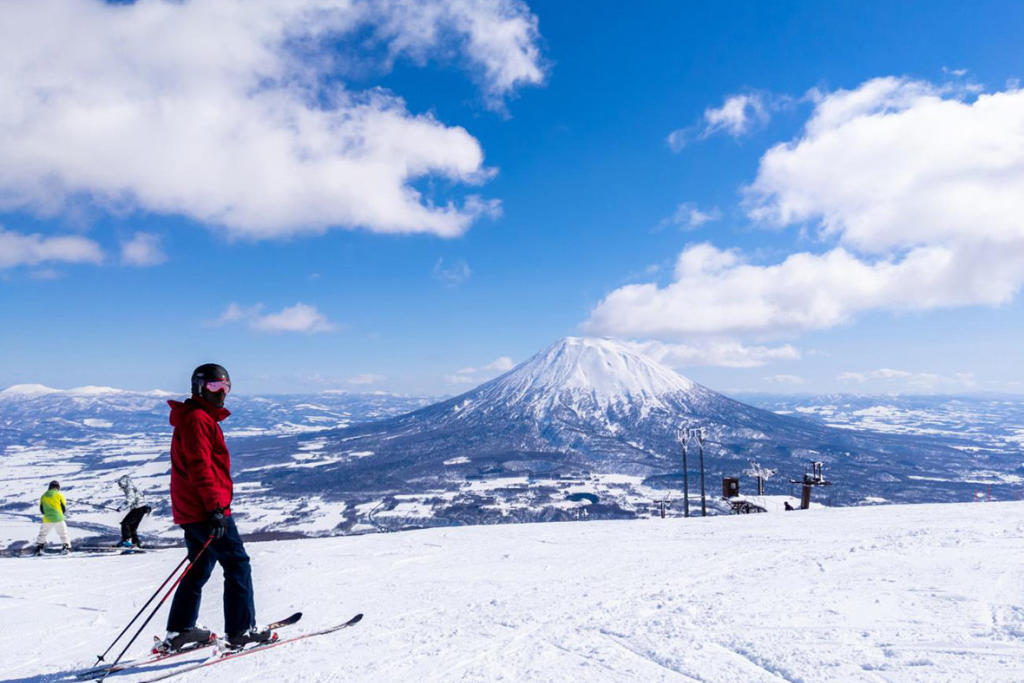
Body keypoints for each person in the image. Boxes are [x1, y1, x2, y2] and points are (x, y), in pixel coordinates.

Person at [160, 363, 272, 652]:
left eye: (225, 387)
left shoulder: (196, 418)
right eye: (213, 387)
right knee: (237, 564)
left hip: (192, 509)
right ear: (198, 388)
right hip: (206, 509)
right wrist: (216, 510)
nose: (221, 393)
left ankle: (181, 630)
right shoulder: (198, 419)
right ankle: (241, 631)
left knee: (198, 567)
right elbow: (200, 468)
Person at [34, 480, 70, 555]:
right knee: (63, 534)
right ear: (57, 487)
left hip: (47, 519)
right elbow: (63, 507)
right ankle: (66, 548)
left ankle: (39, 549)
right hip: (58, 518)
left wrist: (48, 514)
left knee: (43, 534)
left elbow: (42, 509)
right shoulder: (59, 495)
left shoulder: (43, 496)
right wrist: (60, 513)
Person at [116, 474, 152, 548]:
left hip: (138, 508)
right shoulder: (134, 488)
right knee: (132, 528)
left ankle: (126, 541)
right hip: (142, 508)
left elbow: (130, 500)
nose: (121, 487)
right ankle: (136, 545)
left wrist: (121, 508)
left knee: (125, 523)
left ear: (125, 483)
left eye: (121, 485)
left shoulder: (129, 489)